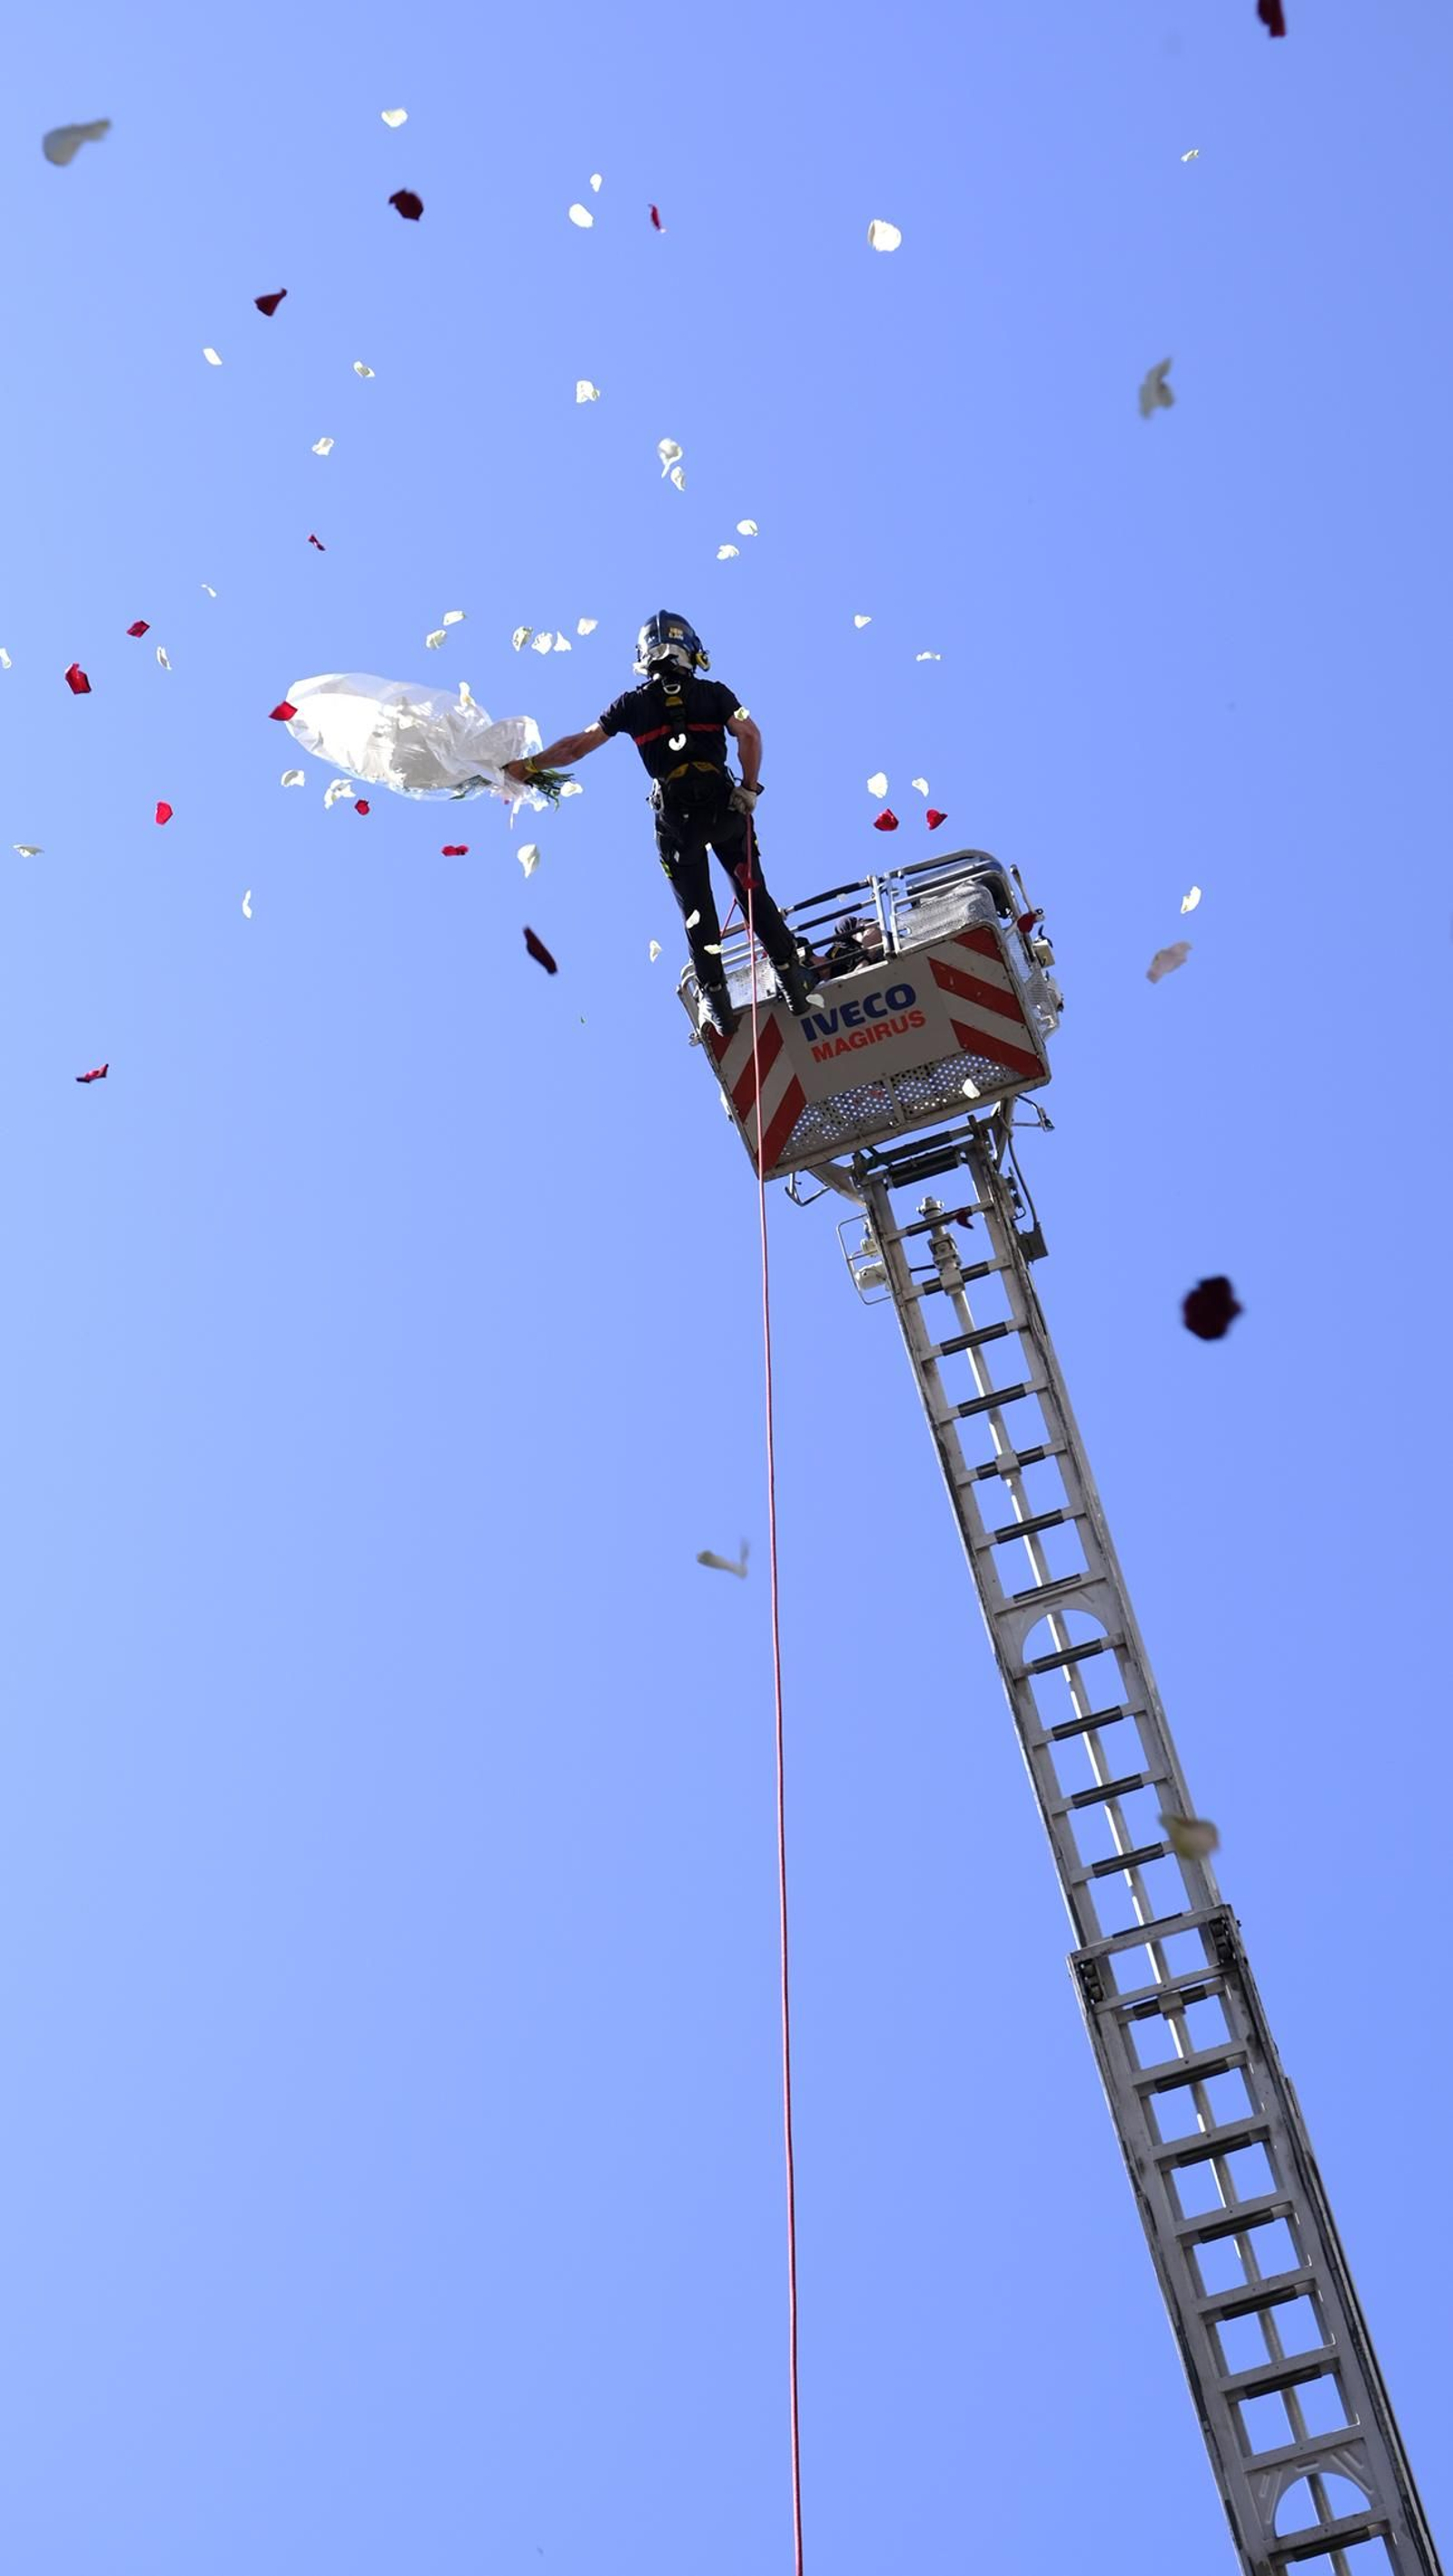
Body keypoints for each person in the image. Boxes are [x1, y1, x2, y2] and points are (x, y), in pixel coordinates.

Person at [503, 612, 817, 1039]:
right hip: (725, 810)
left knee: (697, 913)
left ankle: (717, 998)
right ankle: (790, 977)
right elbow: (750, 735)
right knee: (752, 893)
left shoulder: (629, 706)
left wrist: (528, 766)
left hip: (677, 824)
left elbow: (578, 747)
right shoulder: (717, 694)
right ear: (692, 650)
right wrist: (749, 790)